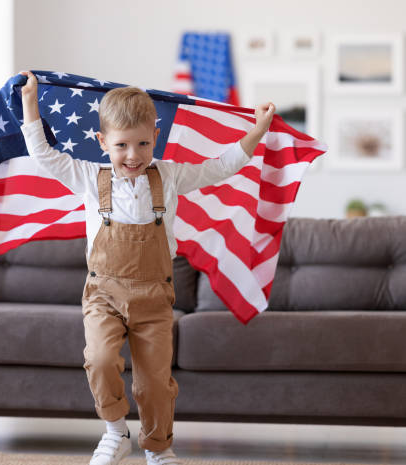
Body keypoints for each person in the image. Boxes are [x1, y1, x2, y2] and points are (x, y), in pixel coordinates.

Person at [18, 70, 275, 465]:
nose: (133, 155)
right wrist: (30, 102)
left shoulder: (169, 177)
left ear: (155, 137)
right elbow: (43, 154)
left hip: (154, 296)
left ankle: (158, 448)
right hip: (103, 294)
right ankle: (116, 432)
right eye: (122, 145)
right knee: (101, 360)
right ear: (103, 142)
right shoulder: (90, 178)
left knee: (155, 381)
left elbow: (220, 166)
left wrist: (257, 132)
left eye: (142, 143)